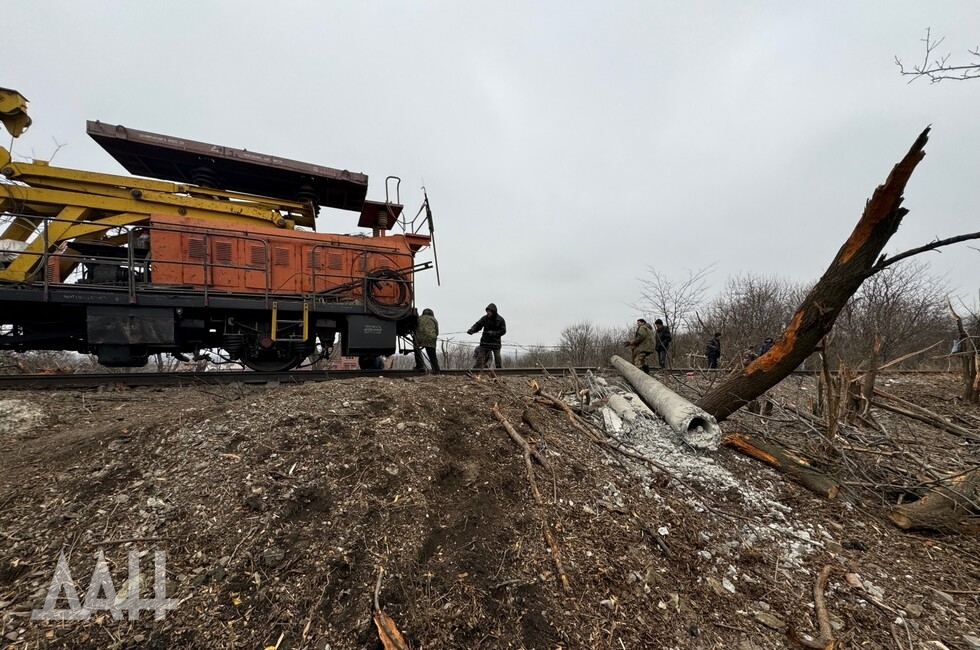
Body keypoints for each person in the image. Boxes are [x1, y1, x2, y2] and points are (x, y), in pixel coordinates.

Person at [468, 303, 506, 369]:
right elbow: (478, 325)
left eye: (489, 311)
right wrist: (472, 330)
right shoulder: (484, 318)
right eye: (487, 311)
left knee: (498, 359)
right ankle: (477, 372)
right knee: (480, 359)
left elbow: (503, 331)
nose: (488, 313)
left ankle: (499, 372)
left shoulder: (501, 320)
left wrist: (493, 333)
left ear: (494, 312)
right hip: (485, 342)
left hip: (495, 343)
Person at [412, 308, 440, 374]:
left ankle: (420, 366)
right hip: (431, 338)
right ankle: (436, 371)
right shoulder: (434, 319)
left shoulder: (419, 318)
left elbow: (415, 327)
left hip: (419, 338)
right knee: (432, 356)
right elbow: (437, 332)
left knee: (417, 349)